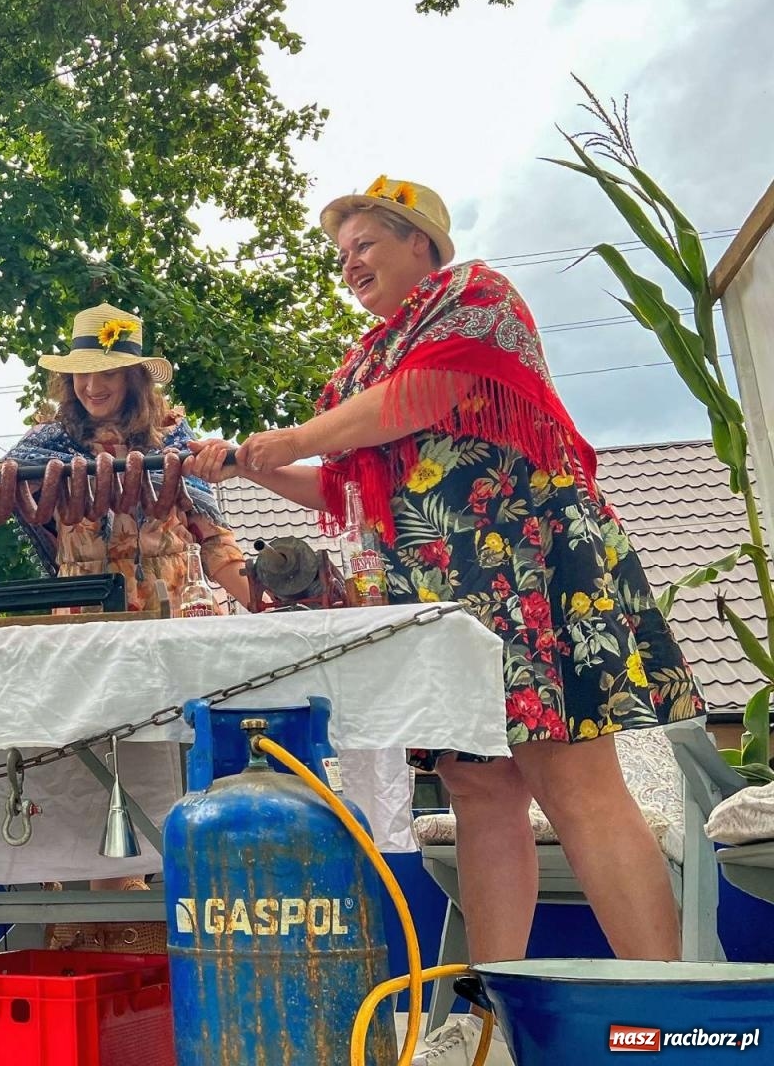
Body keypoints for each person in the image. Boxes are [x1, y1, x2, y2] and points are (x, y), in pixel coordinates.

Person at [190, 176, 704, 977]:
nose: (349, 264)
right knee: (480, 795)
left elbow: (420, 399)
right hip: (441, 600)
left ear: (419, 241)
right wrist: (250, 468)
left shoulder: (472, 293)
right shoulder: (367, 359)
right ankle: (494, 1013)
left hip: (522, 572)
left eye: (364, 244)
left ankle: (671, 1018)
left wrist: (289, 437)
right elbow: (348, 486)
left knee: (575, 783)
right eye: (341, 254)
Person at [6, 302, 250, 612]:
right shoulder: (48, 442)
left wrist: (263, 606)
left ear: (132, 379)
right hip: (85, 610)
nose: (93, 387)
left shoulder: (170, 436)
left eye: (108, 373)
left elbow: (211, 536)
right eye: (84, 373)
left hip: (172, 606)